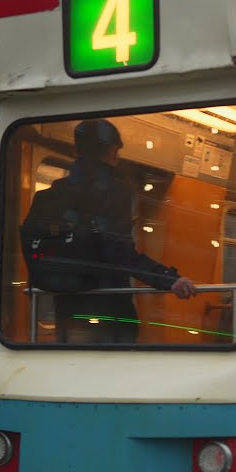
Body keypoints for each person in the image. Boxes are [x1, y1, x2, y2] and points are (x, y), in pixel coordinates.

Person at [44, 119, 197, 343]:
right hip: (108, 310)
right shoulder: (116, 191)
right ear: (112, 151)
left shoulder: (57, 190)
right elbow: (119, 252)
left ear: (76, 149)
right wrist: (167, 279)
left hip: (67, 310)